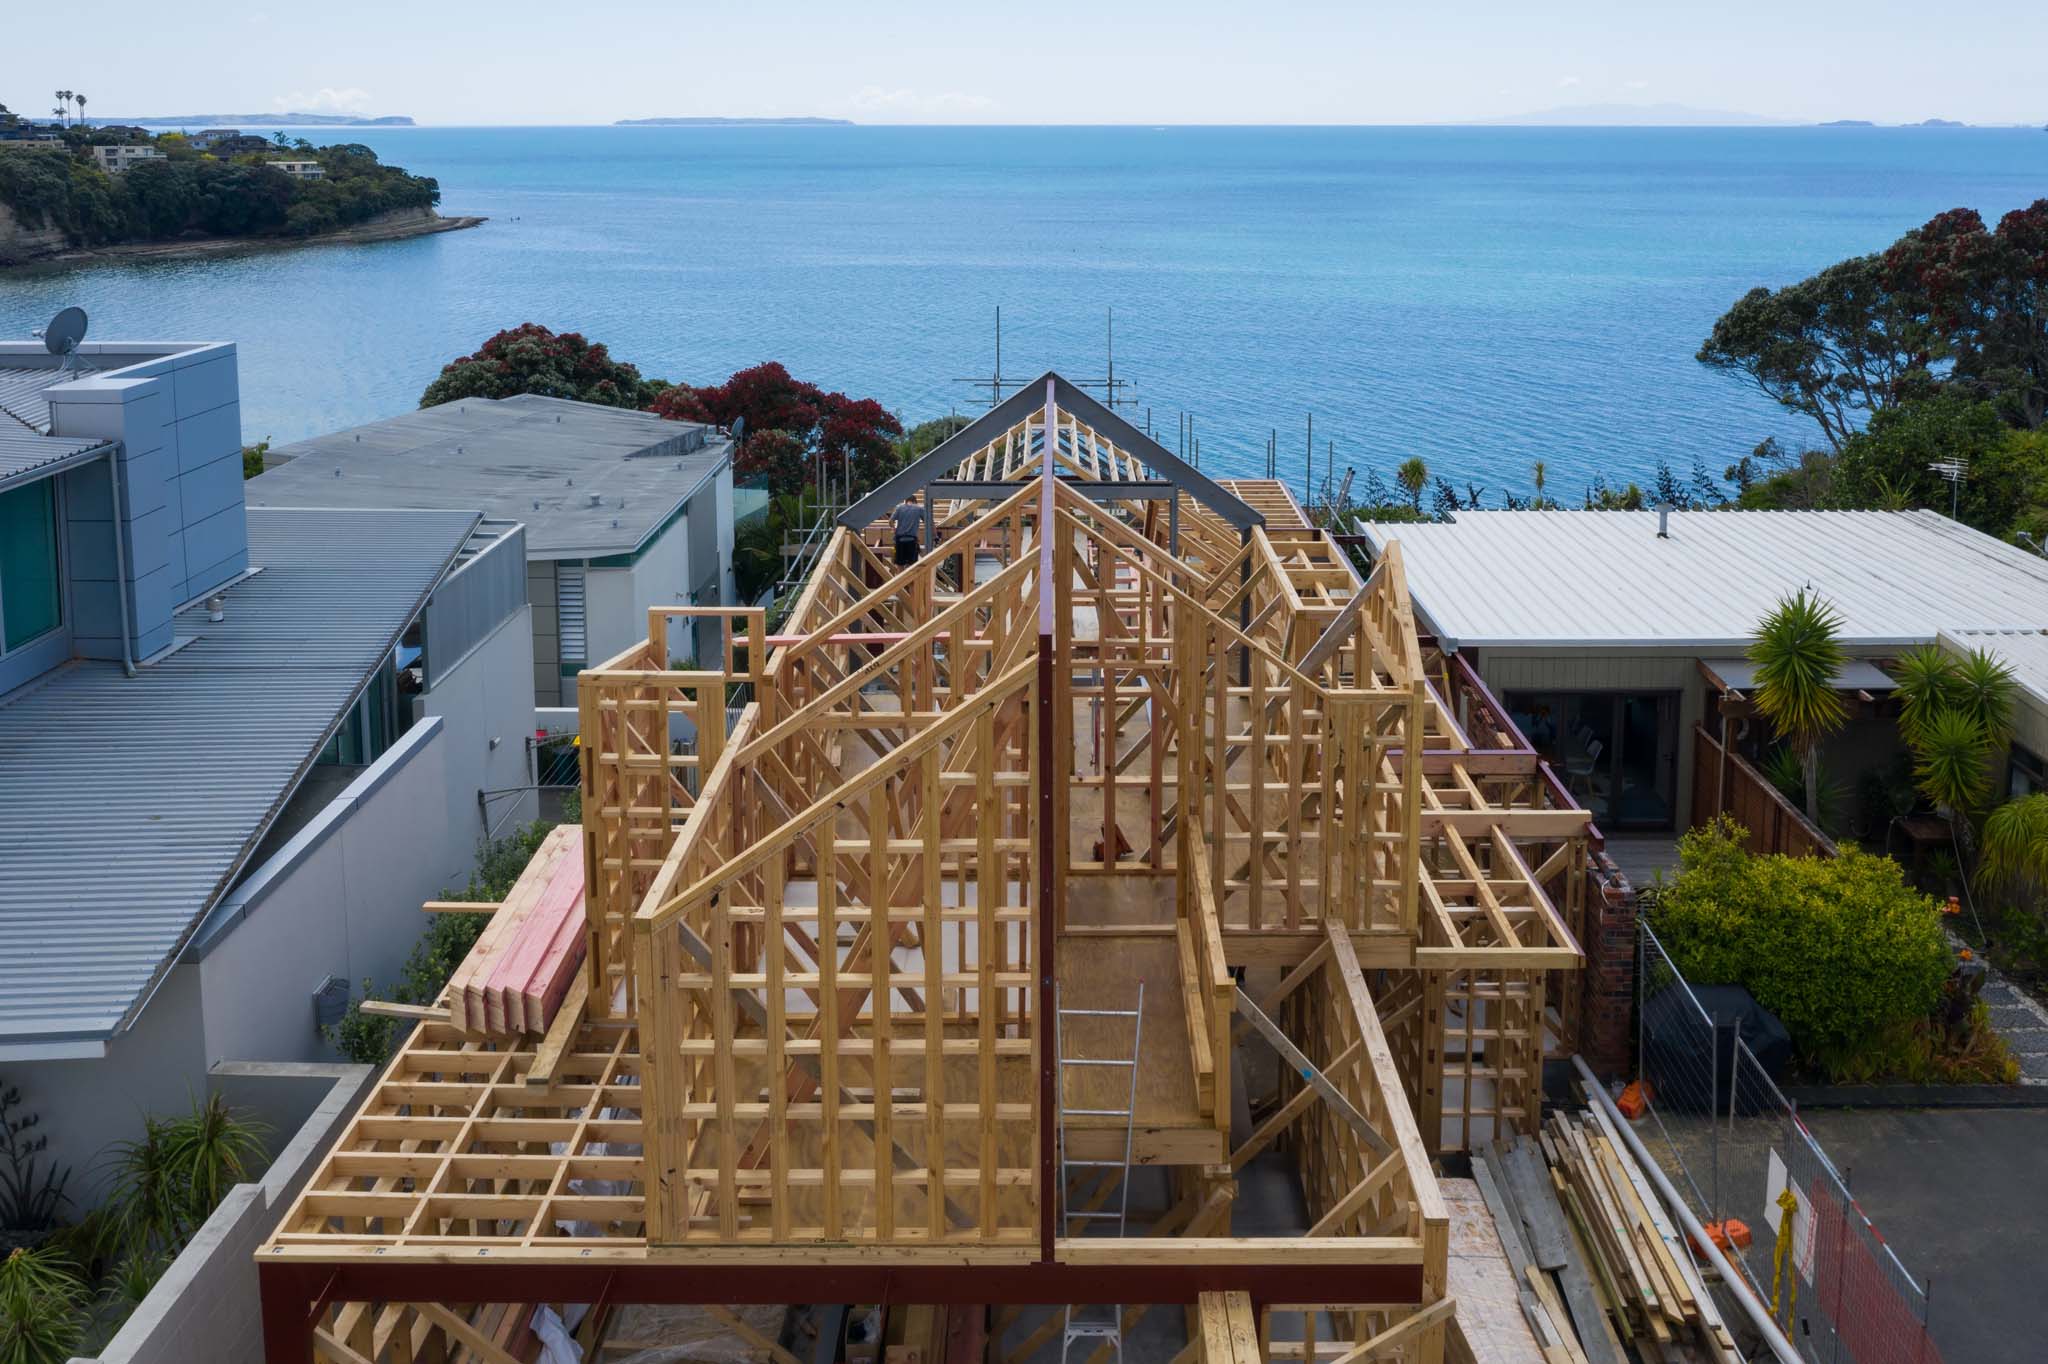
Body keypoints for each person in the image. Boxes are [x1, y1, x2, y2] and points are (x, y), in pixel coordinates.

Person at [893, 497, 924, 568]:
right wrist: (935, 535)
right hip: (912, 540)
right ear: (915, 501)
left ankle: (900, 578)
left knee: (900, 565)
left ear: (905, 501)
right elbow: (928, 522)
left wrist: (894, 529)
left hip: (899, 540)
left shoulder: (899, 508)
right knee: (911, 566)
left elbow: (890, 521)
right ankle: (910, 578)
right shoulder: (919, 508)